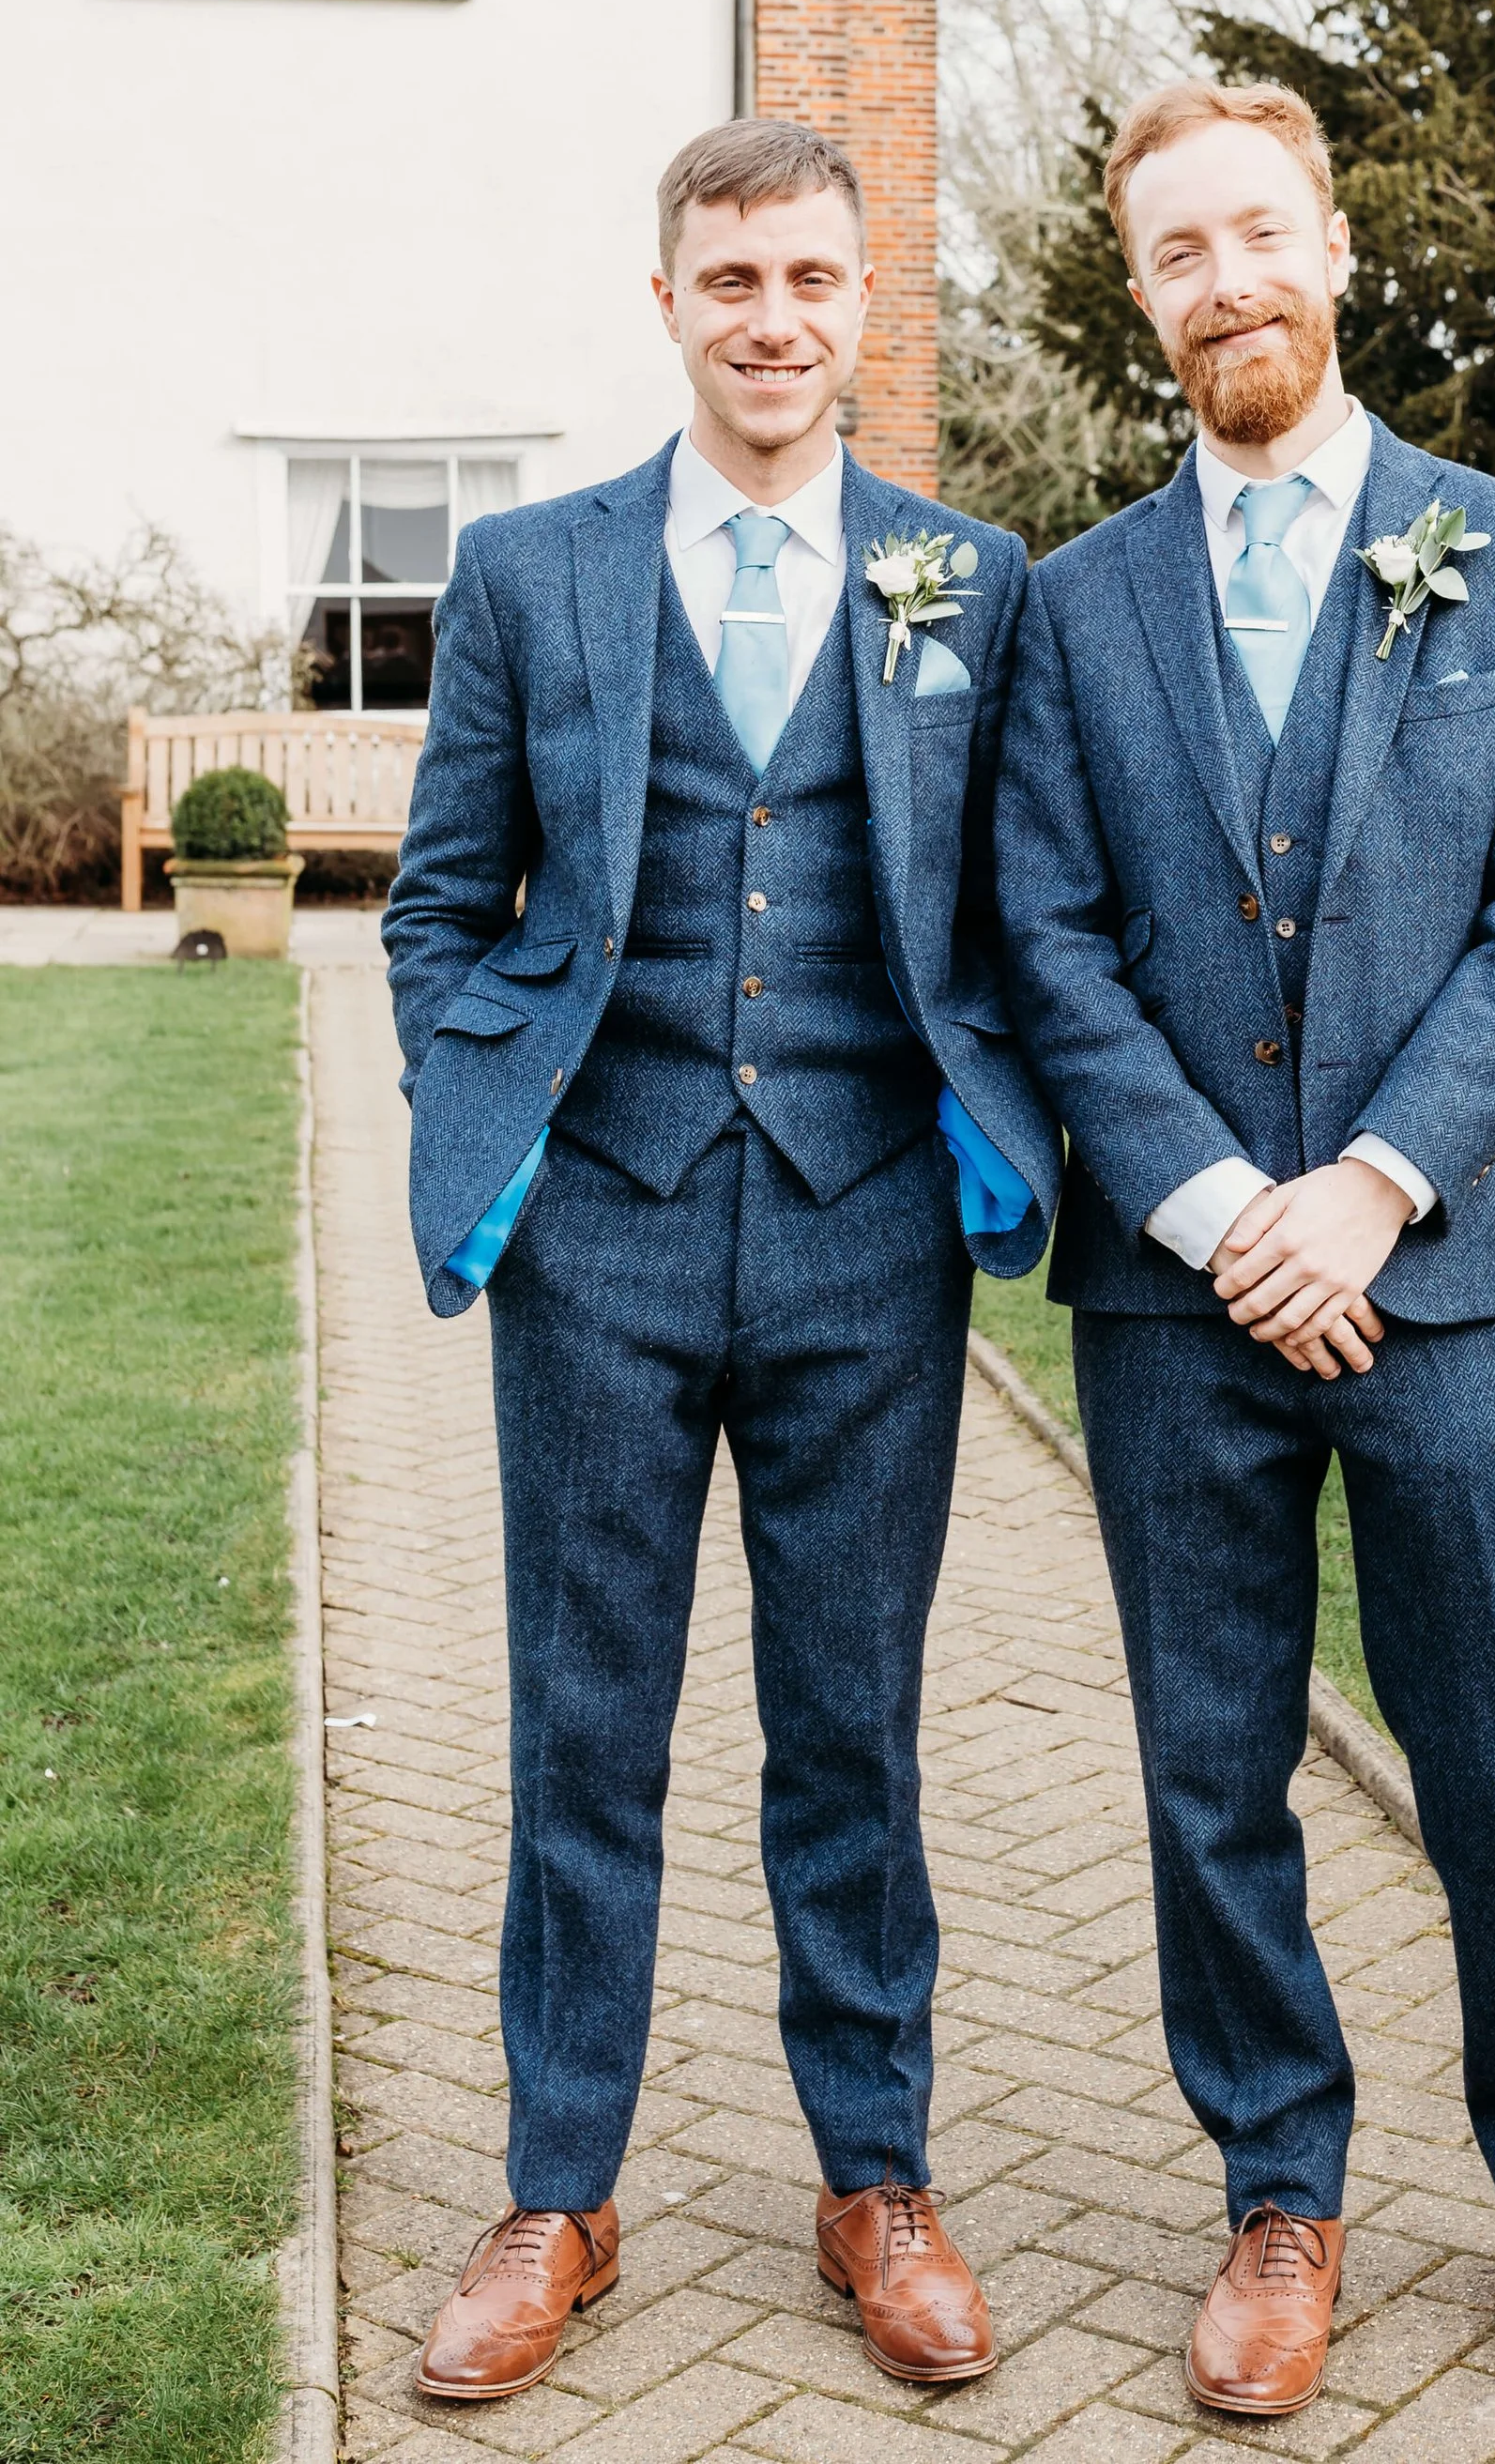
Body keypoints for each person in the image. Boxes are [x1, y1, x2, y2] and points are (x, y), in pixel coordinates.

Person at [382, 118, 1057, 2406]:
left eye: (811, 278)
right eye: (730, 277)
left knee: (848, 1731)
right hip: (608, 1236)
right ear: (661, 299)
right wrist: (509, 1134)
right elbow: (439, 902)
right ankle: (558, 2188)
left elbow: (1012, 915)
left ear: (869, 304)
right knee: (587, 1729)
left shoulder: (969, 576)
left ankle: (878, 2174)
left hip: (874, 1237)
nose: (773, 317)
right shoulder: (528, 571)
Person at [995, 80, 1495, 2421]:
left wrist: (1370, 1182)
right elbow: (1048, 939)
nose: (1224, 280)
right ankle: (1280, 2195)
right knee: (1207, 1758)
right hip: (1182, 1294)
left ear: (1336, 248)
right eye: (1179, 251)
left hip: (1454, 1263)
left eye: (1257, 232)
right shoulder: (1064, 606)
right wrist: (1209, 1204)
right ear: (1143, 289)